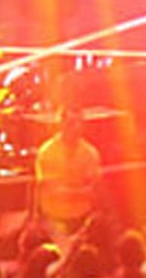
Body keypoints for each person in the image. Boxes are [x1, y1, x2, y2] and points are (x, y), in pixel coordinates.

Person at [33, 101, 103, 244]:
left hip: (82, 220)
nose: (76, 127)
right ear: (61, 124)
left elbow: (93, 190)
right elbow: (51, 190)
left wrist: (66, 191)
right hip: (54, 220)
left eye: (79, 123)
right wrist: (79, 191)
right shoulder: (47, 152)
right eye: (71, 123)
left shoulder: (90, 153)